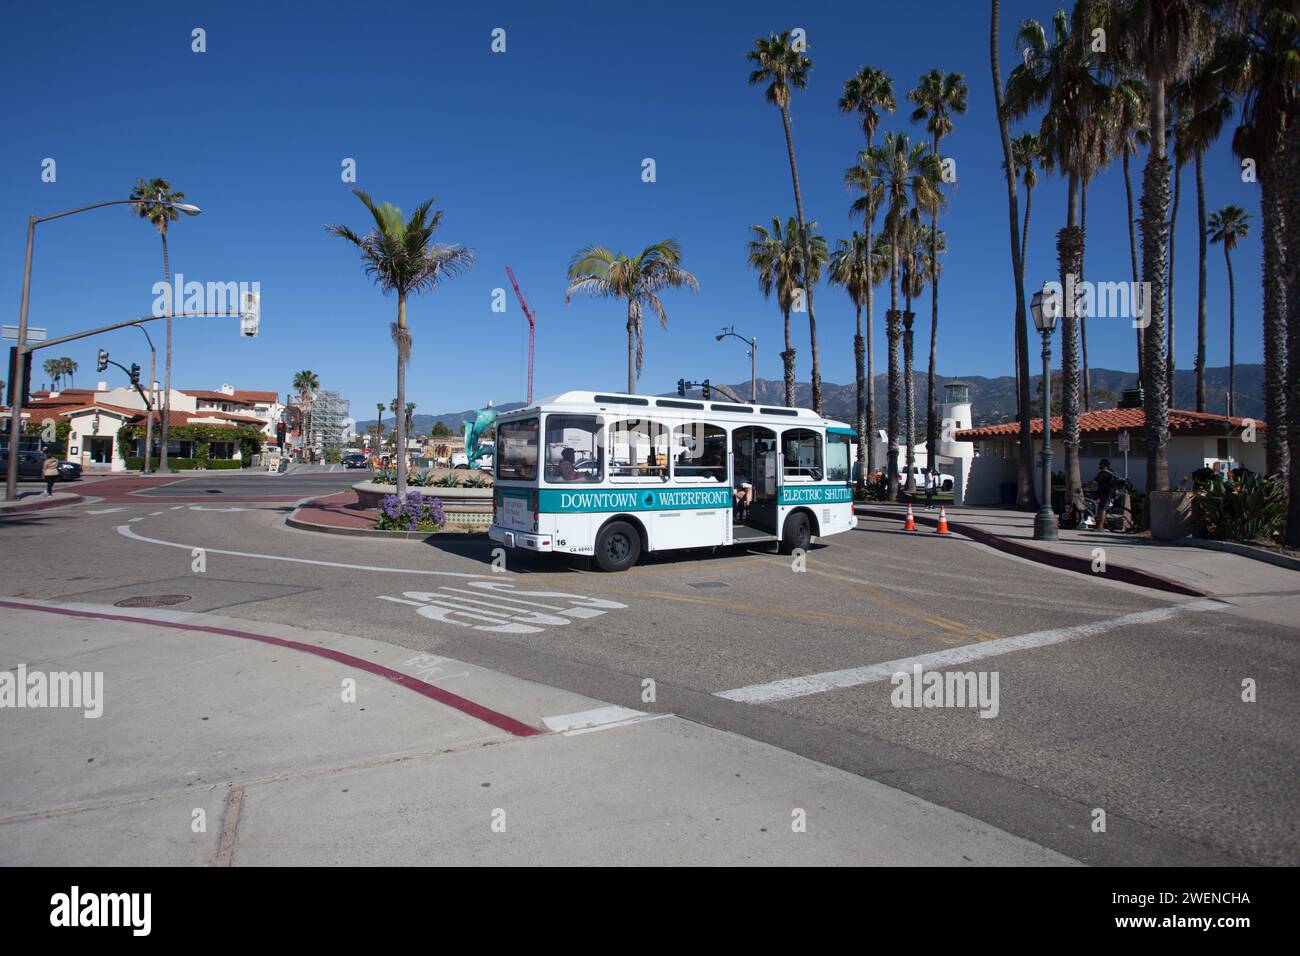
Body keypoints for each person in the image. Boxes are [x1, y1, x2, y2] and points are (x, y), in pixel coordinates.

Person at [1092, 458, 1121, 532]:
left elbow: (1094, 481)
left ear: (1103, 465)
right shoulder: (1111, 472)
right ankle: (1098, 525)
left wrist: (1084, 486)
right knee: (1101, 509)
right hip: (1110, 494)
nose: (1099, 465)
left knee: (1102, 509)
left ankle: (1100, 527)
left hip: (1105, 494)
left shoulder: (1103, 473)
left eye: (1100, 464)